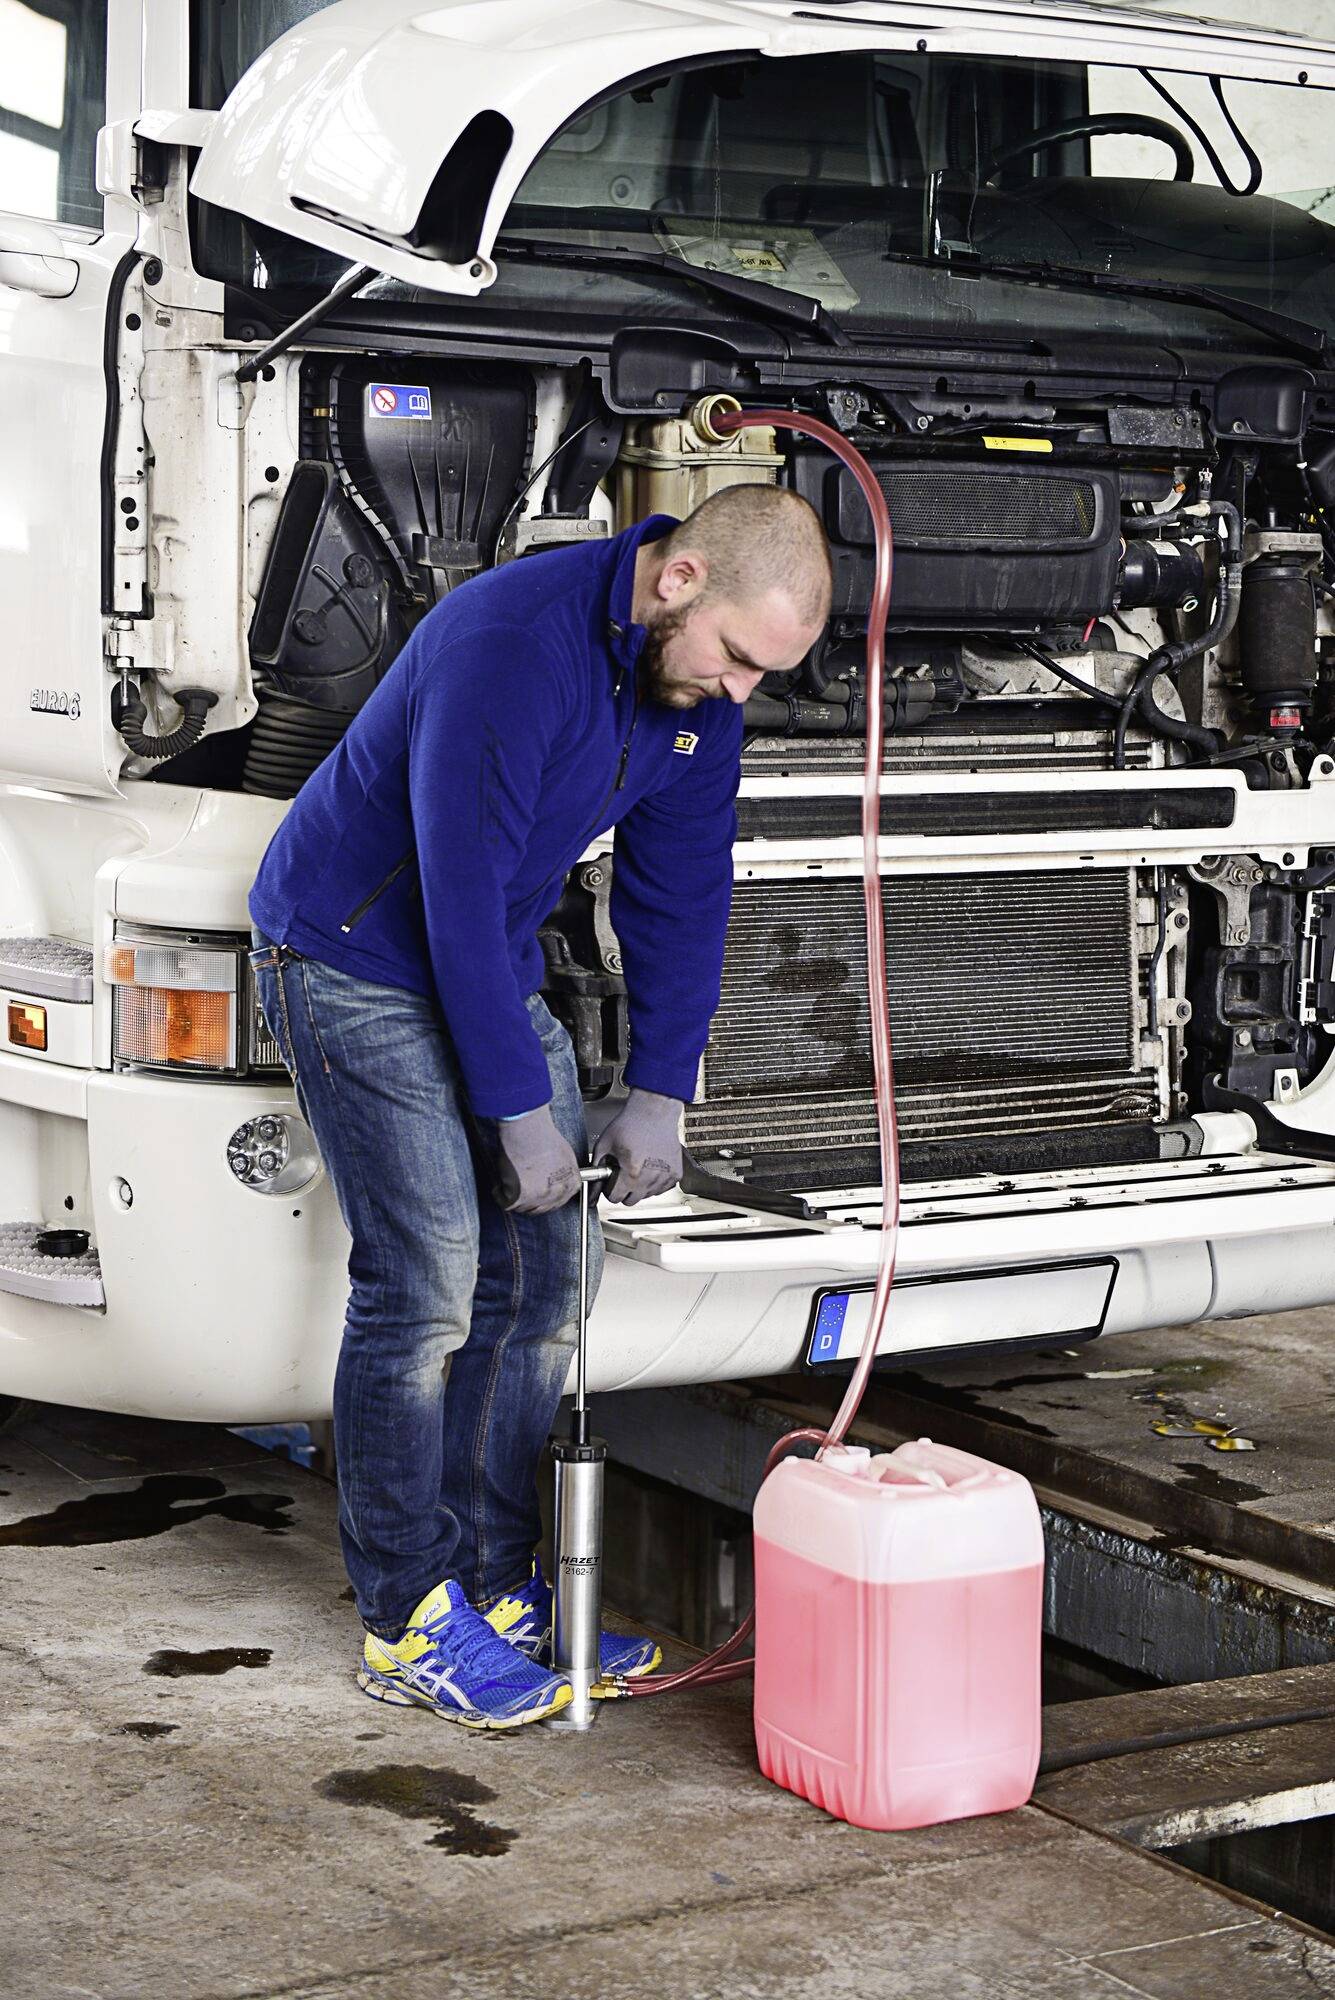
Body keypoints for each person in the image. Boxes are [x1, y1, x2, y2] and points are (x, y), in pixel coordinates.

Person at [249, 485, 833, 1729]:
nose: (740, 692)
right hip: (351, 951)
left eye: (763, 676)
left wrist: (661, 1083)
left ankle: (497, 1583)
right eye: (737, 657)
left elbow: (680, 891)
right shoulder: (509, 643)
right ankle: (407, 1616)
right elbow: (453, 889)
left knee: (552, 1280)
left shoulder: (695, 702)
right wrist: (519, 1106)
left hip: (483, 956)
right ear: (677, 580)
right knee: (427, 1285)